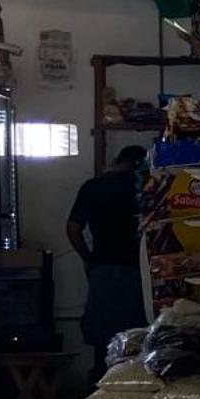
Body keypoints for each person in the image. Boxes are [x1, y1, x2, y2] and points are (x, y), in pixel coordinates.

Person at [67, 144, 147, 373]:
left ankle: (99, 393)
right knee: (137, 339)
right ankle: (133, 390)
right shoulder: (142, 187)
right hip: (137, 271)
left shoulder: (92, 187)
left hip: (102, 269)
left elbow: (73, 229)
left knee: (102, 341)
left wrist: (88, 258)